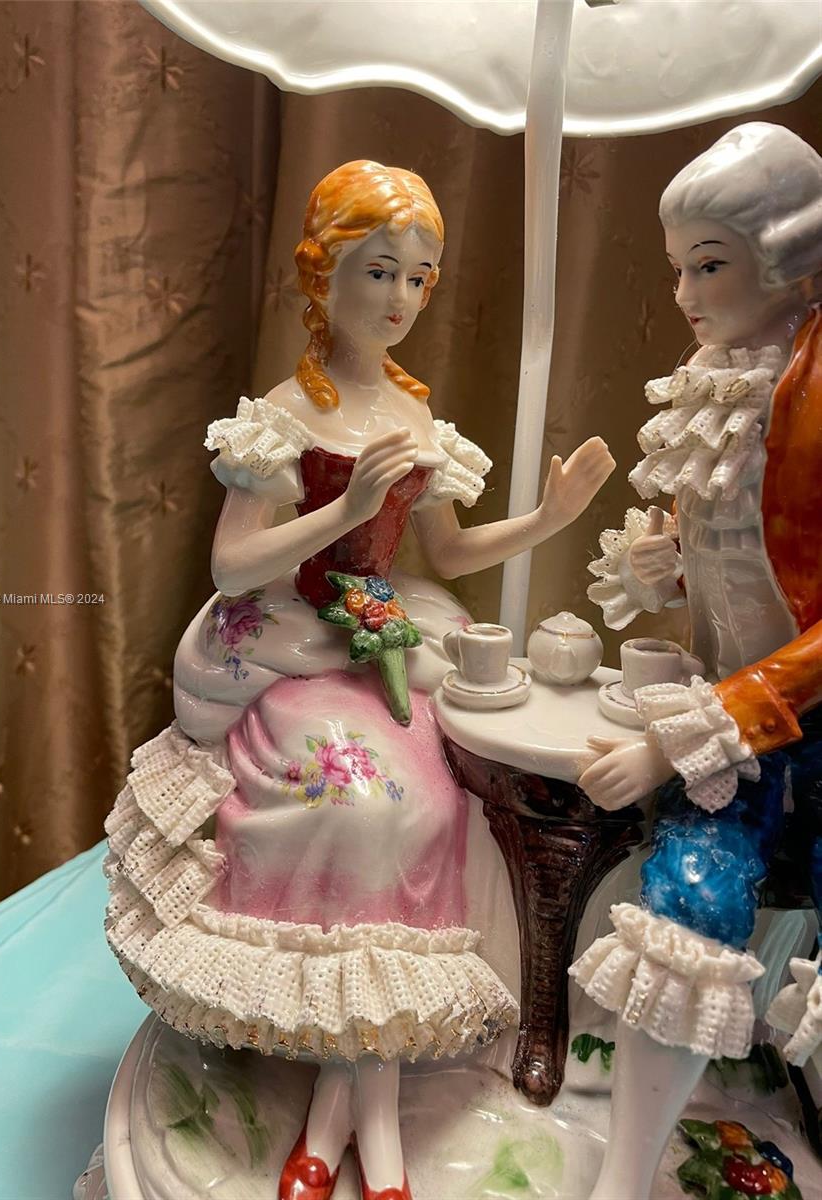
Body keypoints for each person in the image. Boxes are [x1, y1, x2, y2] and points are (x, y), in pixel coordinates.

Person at [104, 159, 614, 1200]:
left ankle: (346, 1121)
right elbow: (233, 564)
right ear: (321, 274)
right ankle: (367, 1135)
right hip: (293, 639)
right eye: (378, 271)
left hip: (382, 632)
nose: (400, 299)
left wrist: (549, 518)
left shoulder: (420, 419)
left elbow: (449, 552)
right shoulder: (283, 415)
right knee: (356, 802)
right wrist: (341, 513)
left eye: (418, 278)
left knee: (434, 804)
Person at [573, 123, 822, 1200]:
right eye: (678, 267)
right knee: (689, 896)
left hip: (789, 721)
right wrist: (666, 568)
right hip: (734, 729)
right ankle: (624, 1178)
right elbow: (738, 560)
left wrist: (685, 741)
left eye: (709, 266)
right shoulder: (715, 380)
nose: (682, 294)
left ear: (790, 258)